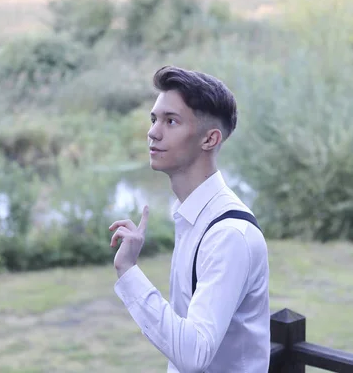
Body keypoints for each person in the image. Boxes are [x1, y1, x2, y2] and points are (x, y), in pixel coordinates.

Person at [109, 65, 270, 373]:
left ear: (209, 139)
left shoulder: (229, 235)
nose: (153, 131)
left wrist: (128, 271)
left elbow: (193, 354)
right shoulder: (193, 217)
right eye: (155, 119)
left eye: (171, 121)